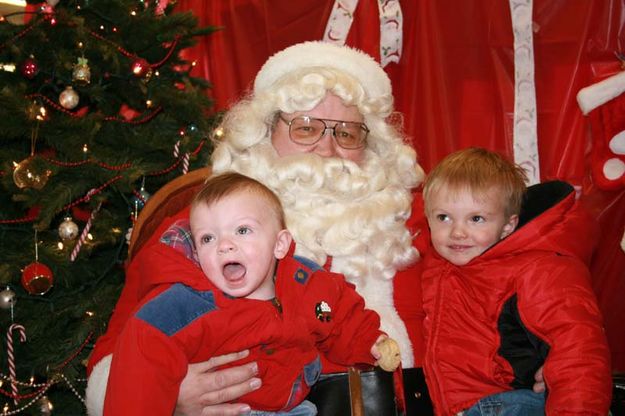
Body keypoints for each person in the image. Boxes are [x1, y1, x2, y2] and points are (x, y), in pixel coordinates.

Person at [86, 41, 545, 415]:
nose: (326, 151)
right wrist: (170, 398)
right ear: (264, 135)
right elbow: (122, 352)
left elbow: (515, 274)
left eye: (346, 133)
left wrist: (548, 352)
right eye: (306, 128)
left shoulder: (425, 224)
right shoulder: (200, 234)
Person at [103, 172, 400, 415]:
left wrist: (369, 343)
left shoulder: (309, 287)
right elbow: (140, 364)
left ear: (280, 244)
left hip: (294, 410)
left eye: (242, 231)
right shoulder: (186, 305)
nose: (225, 245)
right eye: (208, 238)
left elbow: (337, 316)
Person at [420, 147, 612, 415]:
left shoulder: (539, 268)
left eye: (476, 219)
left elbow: (578, 350)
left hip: (507, 406)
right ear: (428, 218)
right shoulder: (441, 263)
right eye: (444, 217)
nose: (457, 232)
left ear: (508, 226)